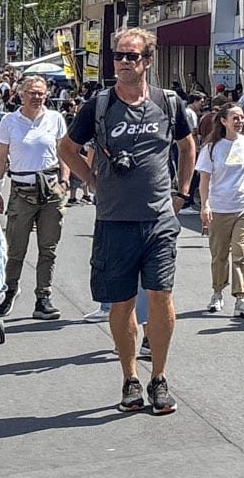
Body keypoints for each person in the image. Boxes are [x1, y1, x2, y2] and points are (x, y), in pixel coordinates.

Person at [61, 26, 196, 415]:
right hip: (114, 219)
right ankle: (130, 378)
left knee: (160, 296)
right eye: (118, 55)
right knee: (120, 303)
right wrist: (92, 182)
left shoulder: (168, 102)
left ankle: (159, 377)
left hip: (158, 219)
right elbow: (67, 148)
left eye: (131, 56)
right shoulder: (99, 105)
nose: (122, 62)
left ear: (147, 61)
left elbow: (188, 146)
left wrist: (182, 192)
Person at [0, 75, 68, 319]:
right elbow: (0, 158)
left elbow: (63, 152)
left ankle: (43, 297)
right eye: (32, 93)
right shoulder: (9, 121)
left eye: (41, 93)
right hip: (21, 189)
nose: (37, 97)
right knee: (16, 248)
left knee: (48, 248)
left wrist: (65, 180)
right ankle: (9, 290)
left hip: (50, 188)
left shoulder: (55, 118)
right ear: (21, 95)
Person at [198, 99, 244, 317]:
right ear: (224, 121)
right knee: (219, 255)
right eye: (235, 118)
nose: (240, 121)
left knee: (241, 252)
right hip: (219, 208)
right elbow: (204, 179)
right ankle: (217, 292)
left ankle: (241, 298)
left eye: (242, 117)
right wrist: (205, 205)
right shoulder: (211, 148)